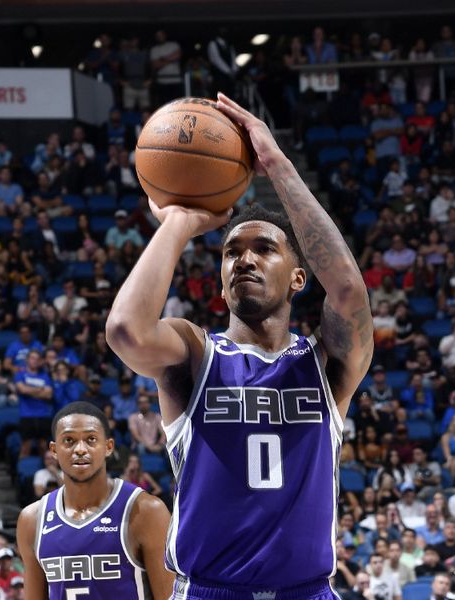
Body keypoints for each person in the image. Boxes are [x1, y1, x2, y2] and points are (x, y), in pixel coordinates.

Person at [107, 94, 373, 596]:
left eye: (263, 249)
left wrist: (275, 164)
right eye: (231, 252)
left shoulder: (327, 364)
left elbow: (348, 292)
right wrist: (180, 223)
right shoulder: (195, 353)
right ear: (221, 282)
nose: (244, 260)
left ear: (299, 278)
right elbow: (126, 331)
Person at [16, 402, 174, 599]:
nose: (80, 449)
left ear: (108, 447)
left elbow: (170, 596)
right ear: (54, 450)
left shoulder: (147, 511)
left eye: (91, 439)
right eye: (69, 440)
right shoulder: (31, 520)